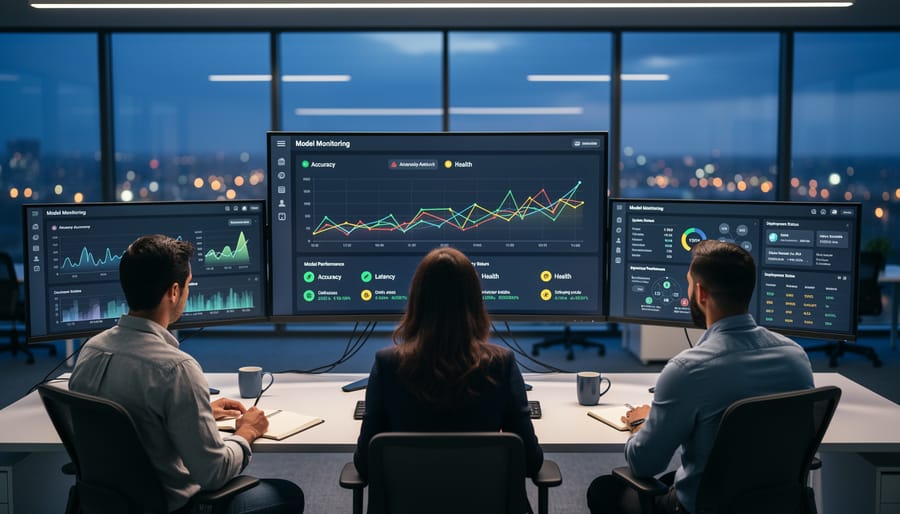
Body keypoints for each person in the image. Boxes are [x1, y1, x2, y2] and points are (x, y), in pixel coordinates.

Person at [69, 234, 304, 514]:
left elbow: (129, 420)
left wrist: (196, 410)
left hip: (107, 505)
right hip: (175, 508)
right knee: (288, 495)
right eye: (189, 285)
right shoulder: (176, 368)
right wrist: (247, 432)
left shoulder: (90, 351)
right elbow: (213, 473)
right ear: (174, 291)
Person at [587, 240, 814, 514]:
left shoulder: (687, 370)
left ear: (700, 292)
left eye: (688, 283)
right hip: (776, 504)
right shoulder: (796, 358)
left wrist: (639, 423)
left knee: (604, 490)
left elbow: (644, 464)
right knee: (676, 478)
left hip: (704, 508)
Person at [354, 246, 543, 479]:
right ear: (474, 302)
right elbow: (530, 462)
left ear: (417, 301)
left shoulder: (388, 365)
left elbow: (364, 463)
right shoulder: (500, 365)